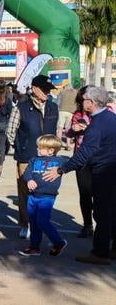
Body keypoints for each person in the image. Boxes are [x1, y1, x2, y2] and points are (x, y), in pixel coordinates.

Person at [44, 86, 116, 266]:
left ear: (91, 103)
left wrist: (61, 169)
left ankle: (100, 253)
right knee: (112, 211)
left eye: (84, 99)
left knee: (102, 213)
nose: (81, 102)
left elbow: (84, 155)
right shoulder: (111, 118)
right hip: (112, 170)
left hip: (103, 172)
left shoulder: (96, 125)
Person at [7, 76, 59, 239]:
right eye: (44, 89)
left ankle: (41, 222)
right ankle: (26, 223)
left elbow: (55, 130)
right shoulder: (21, 108)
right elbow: (10, 132)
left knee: (45, 191)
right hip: (27, 156)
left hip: (49, 158)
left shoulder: (53, 107)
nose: (47, 92)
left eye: (49, 89)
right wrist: (21, 146)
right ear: (34, 89)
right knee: (26, 192)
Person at [19, 135, 68, 257]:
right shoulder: (34, 160)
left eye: (41, 148)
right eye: (38, 147)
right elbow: (27, 173)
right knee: (33, 222)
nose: (37, 150)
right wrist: (29, 180)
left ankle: (58, 242)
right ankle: (34, 247)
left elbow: (73, 164)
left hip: (47, 197)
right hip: (33, 196)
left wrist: (61, 169)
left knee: (42, 221)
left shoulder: (60, 161)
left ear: (51, 150)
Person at [65, 87, 93, 237]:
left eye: (87, 99)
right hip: (81, 159)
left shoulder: (103, 114)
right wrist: (73, 129)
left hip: (99, 159)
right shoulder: (77, 114)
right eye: (82, 99)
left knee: (101, 194)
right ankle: (87, 225)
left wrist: (88, 128)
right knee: (85, 194)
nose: (84, 103)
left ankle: (104, 226)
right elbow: (68, 132)